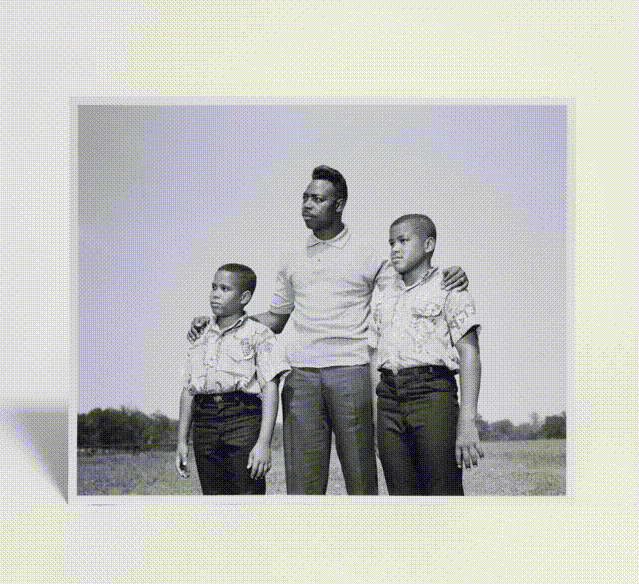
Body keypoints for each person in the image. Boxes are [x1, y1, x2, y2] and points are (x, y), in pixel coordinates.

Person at [189, 166, 468, 495]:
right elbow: (277, 319)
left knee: (361, 482)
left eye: (317, 199)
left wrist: (452, 275)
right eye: (305, 197)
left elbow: (409, 288)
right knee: (302, 488)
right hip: (301, 378)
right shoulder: (291, 258)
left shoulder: (369, 252)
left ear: (339, 205)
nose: (307, 204)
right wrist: (224, 320)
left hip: (353, 373)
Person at [369, 214, 483, 495]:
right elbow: (374, 356)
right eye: (391, 243)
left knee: (442, 492)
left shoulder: (449, 287)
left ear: (428, 245)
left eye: (403, 241)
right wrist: (376, 417)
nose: (395, 249)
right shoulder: (383, 295)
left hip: (432, 396)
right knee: (402, 496)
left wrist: (467, 421)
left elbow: (469, 353)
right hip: (388, 401)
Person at [176, 263, 289, 494]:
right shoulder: (200, 335)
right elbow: (188, 389)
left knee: (247, 497)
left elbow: (270, 387)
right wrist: (181, 441)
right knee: (214, 499)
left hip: (243, 420)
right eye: (214, 287)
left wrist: (263, 443)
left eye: (225, 289)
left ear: (244, 297)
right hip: (205, 422)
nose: (215, 294)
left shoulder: (259, 334)